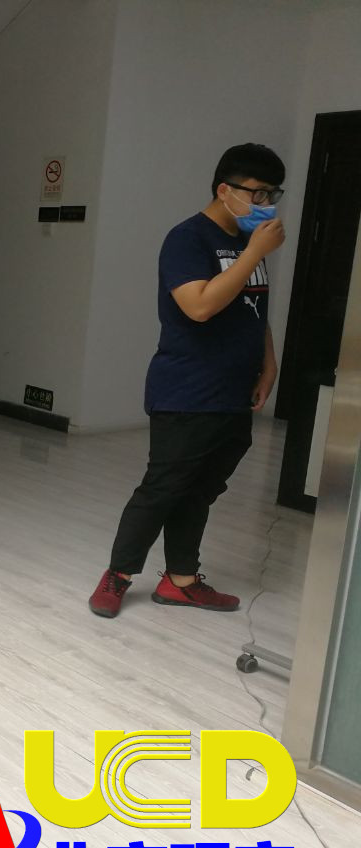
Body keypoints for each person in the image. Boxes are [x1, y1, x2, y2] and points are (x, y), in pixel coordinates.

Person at [89, 143, 286, 618]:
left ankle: (181, 579)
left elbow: (252, 305)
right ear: (224, 190)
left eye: (272, 194)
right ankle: (118, 575)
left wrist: (269, 363)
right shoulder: (188, 239)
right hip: (187, 390)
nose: (265, 203)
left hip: (233, 392)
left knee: (201, 491)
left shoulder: (246, 242)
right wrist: (254, 252)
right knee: (163, 487)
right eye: (257, 192)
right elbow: (199, 306)